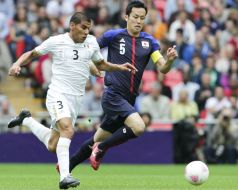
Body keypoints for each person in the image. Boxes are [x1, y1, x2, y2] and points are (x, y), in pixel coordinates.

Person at [7, 12, 137, 190]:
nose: (86, 32)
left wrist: (119, 67)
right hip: (58, 94)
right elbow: (32, 53)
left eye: (88, 28)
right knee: (68, 130)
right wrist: (16, 64)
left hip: (75, 100)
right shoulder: (57, 41)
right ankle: (65, 177)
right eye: (83, 28)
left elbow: (100, 65)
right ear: (72, 26)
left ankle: (26, 119)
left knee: (54, 145)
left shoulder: (91, 42)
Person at [67, 1, 178, 173]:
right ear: (126, 17)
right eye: (135, 17)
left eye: (142, 18)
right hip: (112, 95)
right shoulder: (113, 36)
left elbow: (163, 68)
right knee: (139, 127)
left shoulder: (150, 42)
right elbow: (86, 50)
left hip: (128, 99)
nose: (138, 21)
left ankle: (67, 166)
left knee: (96, 138)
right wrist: (91, 66)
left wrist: (170, 60)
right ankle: (102, 149)